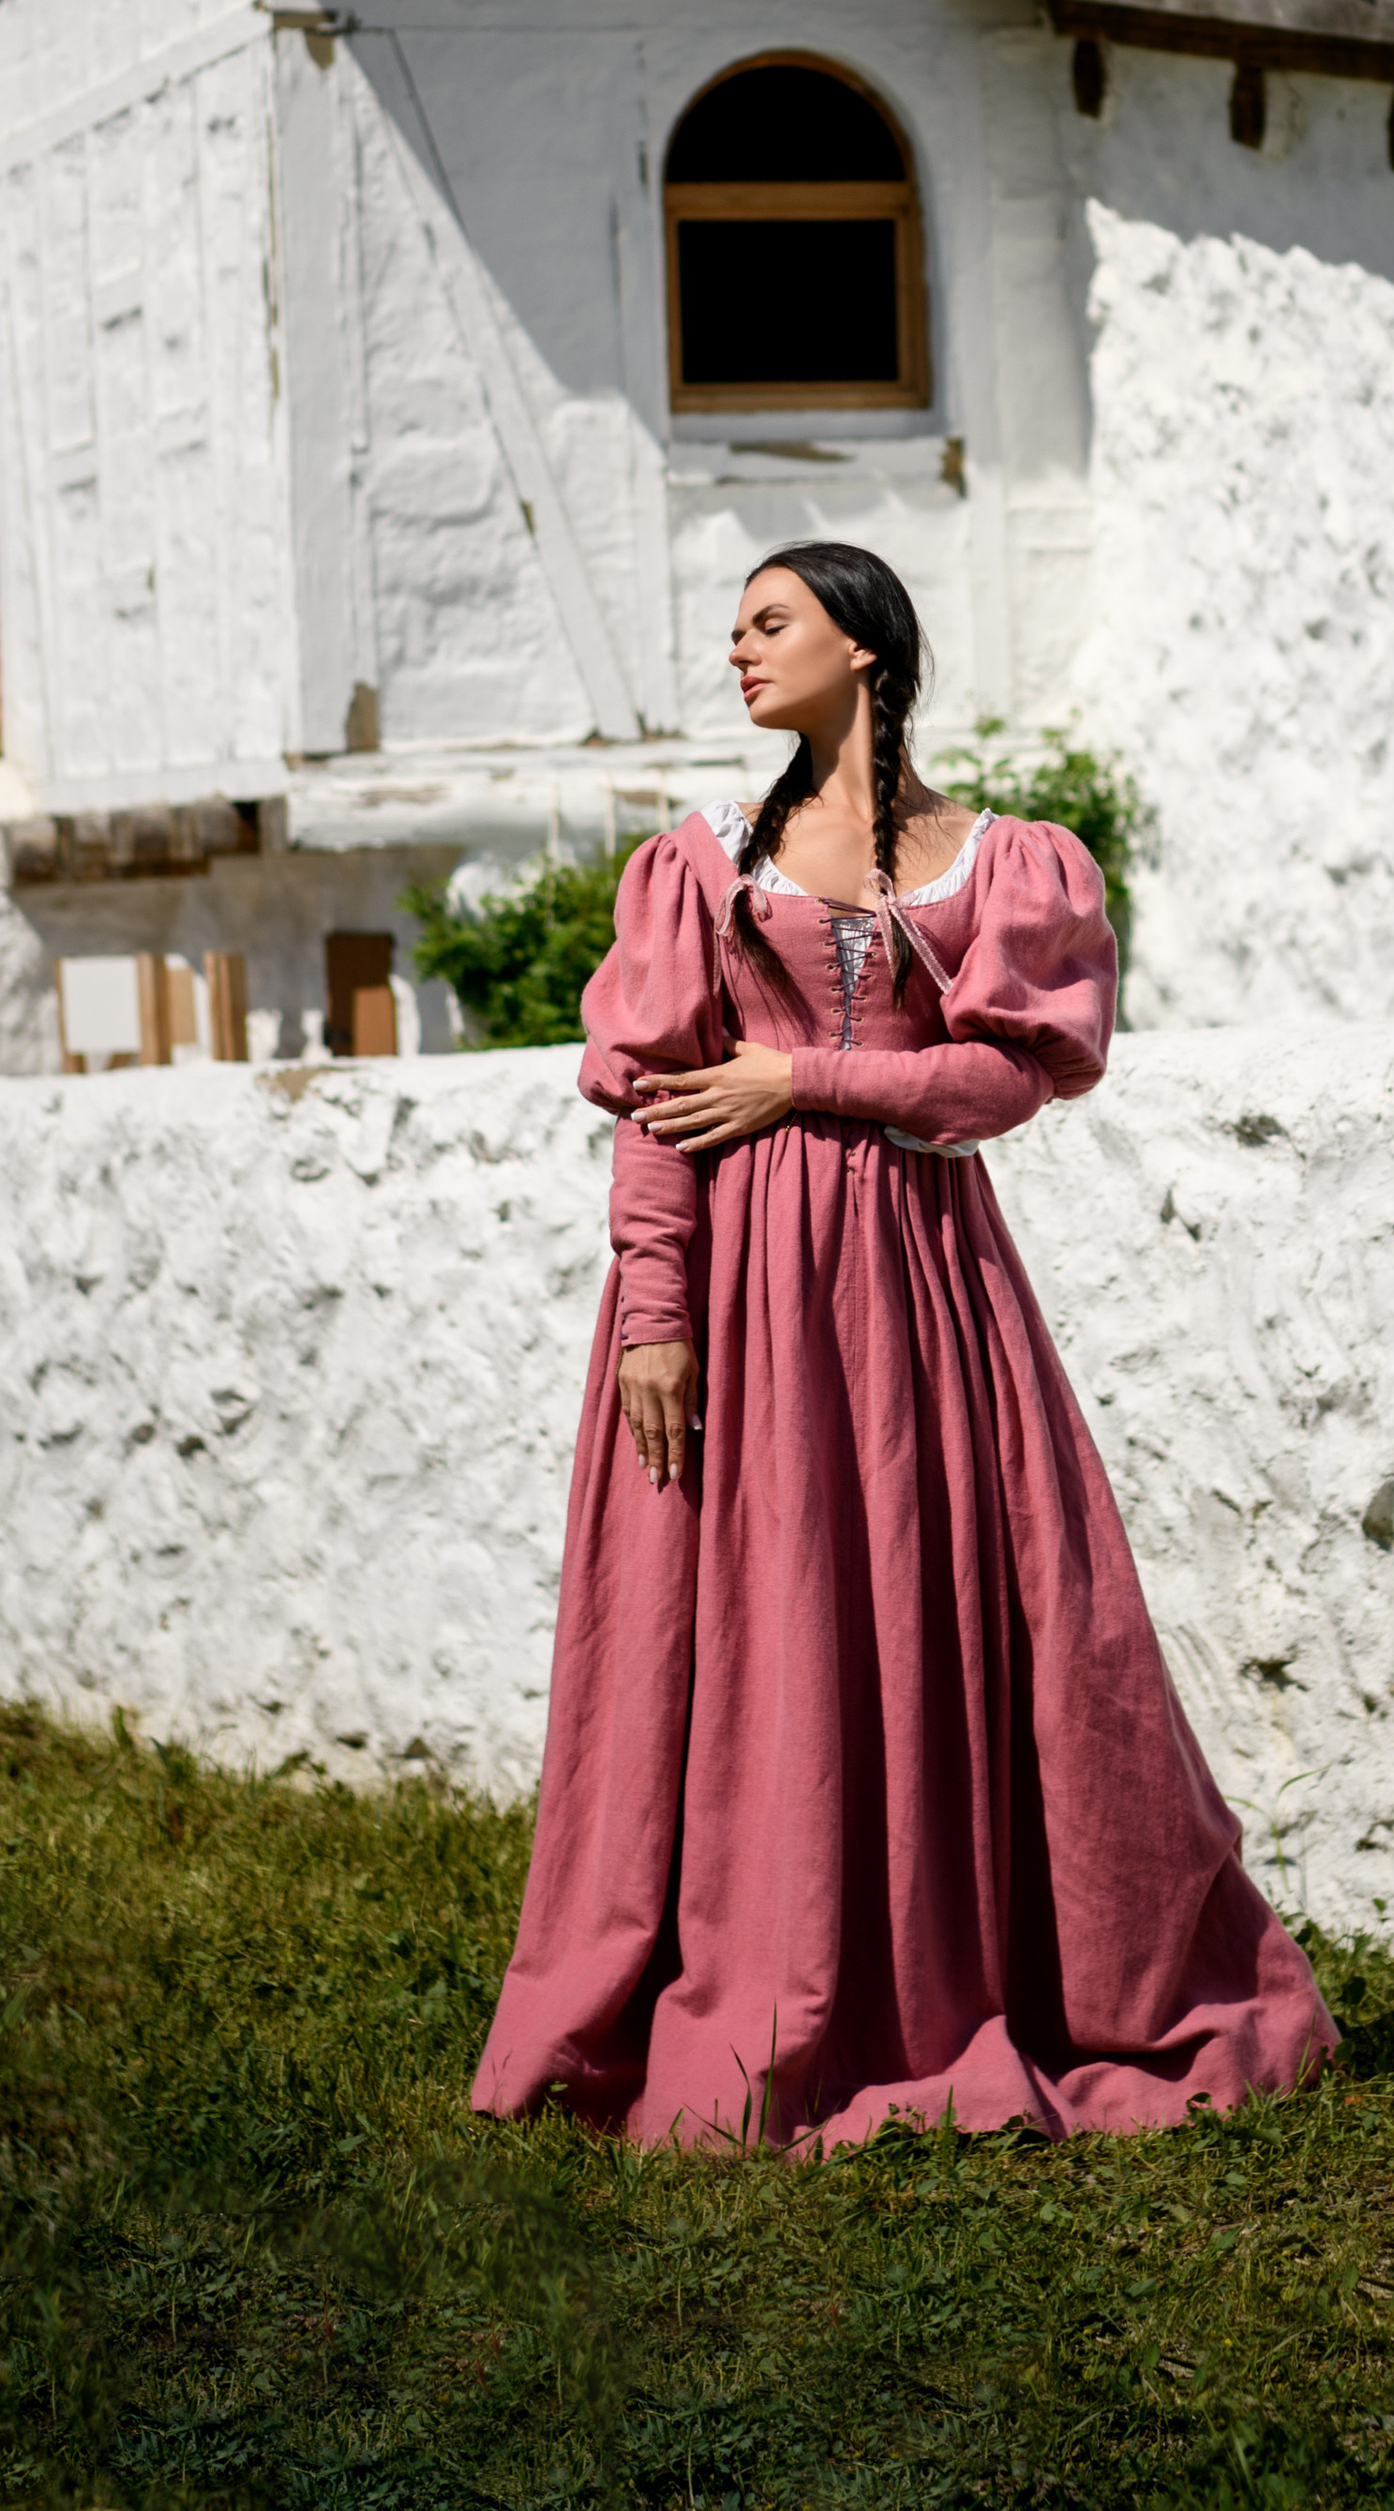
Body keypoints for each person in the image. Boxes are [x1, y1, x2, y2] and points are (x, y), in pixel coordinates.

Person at [471, 541, 1334, 2148]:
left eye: (770, 622)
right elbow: (659, 1105)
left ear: (863, 649)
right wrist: (654, 1316)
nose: (738, 651)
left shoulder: (996, 861)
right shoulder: (701, 864)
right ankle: (748, 1979)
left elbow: (1007, 1082)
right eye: (733, 628)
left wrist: (805, 1083)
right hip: (736, 1295)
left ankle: (991, 1979)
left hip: (928, 1296)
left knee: (1013, 1622)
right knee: (748, 1632)